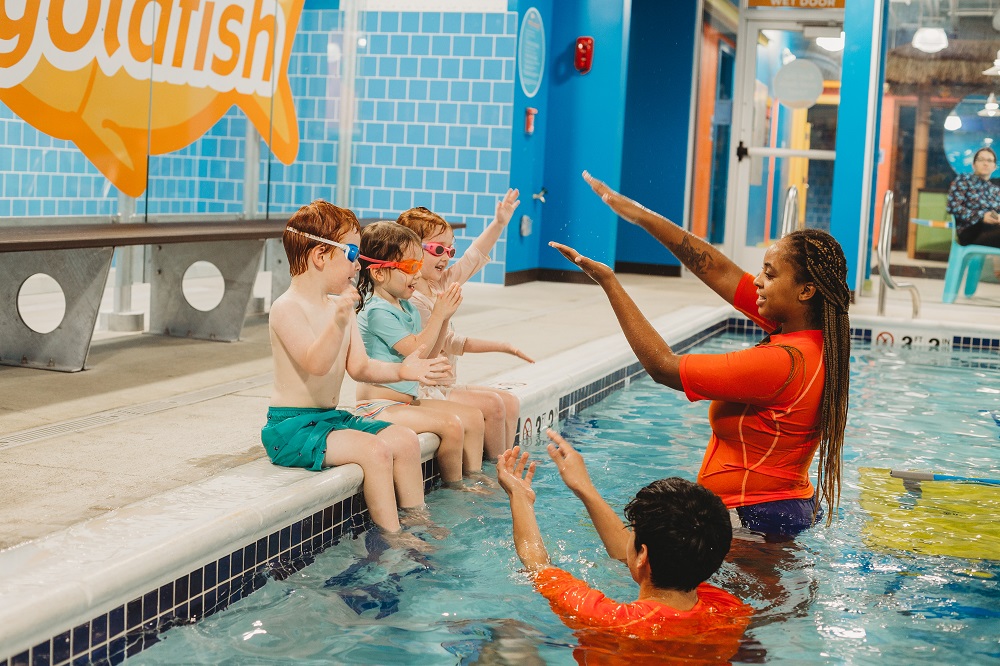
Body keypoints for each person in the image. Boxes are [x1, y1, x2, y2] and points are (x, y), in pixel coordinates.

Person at [550, 171, 851, 538]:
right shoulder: (813, 337)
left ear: (805, 291)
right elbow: (719, 270)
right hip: (776, 510)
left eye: (769, 275)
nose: (756, 280)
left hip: (756, 520)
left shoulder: (784, 361)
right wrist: (637, 214)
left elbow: (663, 367)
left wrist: (610, 283)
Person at [262, 200, 450, 538]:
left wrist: (404, 372)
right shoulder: (287, 308)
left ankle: (417, 520)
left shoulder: (340, 305)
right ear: (320, 255)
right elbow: (315, 364)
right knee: (374, 451)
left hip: (328, 420)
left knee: (404, 441)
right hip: (290, 428)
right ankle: (393, 536)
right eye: (351, 255)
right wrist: (337, 321)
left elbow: (360, 367)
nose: (358, 265)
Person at [496, 430, 751, 661]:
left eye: (632, 533)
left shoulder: (609, 620)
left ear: (643, 554)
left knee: (505, 638)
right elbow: (635, 557)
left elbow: (536, 563)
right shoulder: (729, 610)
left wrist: (519, 496)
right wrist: (584, 489)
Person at [396, 191, 532, 459]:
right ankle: (494, 475)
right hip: (422, 391)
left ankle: (502, 466)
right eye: (437, 249)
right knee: (493, 406)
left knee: (510, 402)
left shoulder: (439, 284)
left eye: (450, 249)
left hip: (442, 387)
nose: (446, 256)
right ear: (410, 249)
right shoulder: (413, 298)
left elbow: (474, 257)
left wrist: (499, 223)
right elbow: (429, 351)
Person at [355, 221, 489, 487]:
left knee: (472, 416)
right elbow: (415, 350)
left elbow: (428, 357)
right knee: (451, 425)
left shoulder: (406, 306)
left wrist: (443, 318)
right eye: (410, 268)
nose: (417, 275)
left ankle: (474, 478)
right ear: (379, 273)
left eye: (418, 266)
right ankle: (455, 488)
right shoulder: (376, 311)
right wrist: (437, 315)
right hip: (378, 407)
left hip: (406, 401)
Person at [947, 146, 1000, 277]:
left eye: (989, 160)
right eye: (981, 159)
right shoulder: (963, 181)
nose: (985, 163)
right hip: (970, 231)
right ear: (973, 164)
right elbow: (953, 207)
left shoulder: (994, 190)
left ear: (994, 166)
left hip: (991, 231)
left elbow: (996, 212)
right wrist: (981, 216)